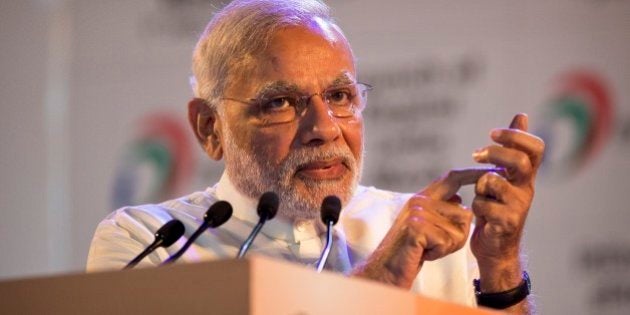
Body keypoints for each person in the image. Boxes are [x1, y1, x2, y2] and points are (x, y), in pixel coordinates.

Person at [87, 0, 544, 313]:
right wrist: (384, 273)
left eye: (341, 95)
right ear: (210, 127)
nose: (324, 128)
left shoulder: (426, 230)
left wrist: (499, 262)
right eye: (280, 102)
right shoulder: (150, 243)